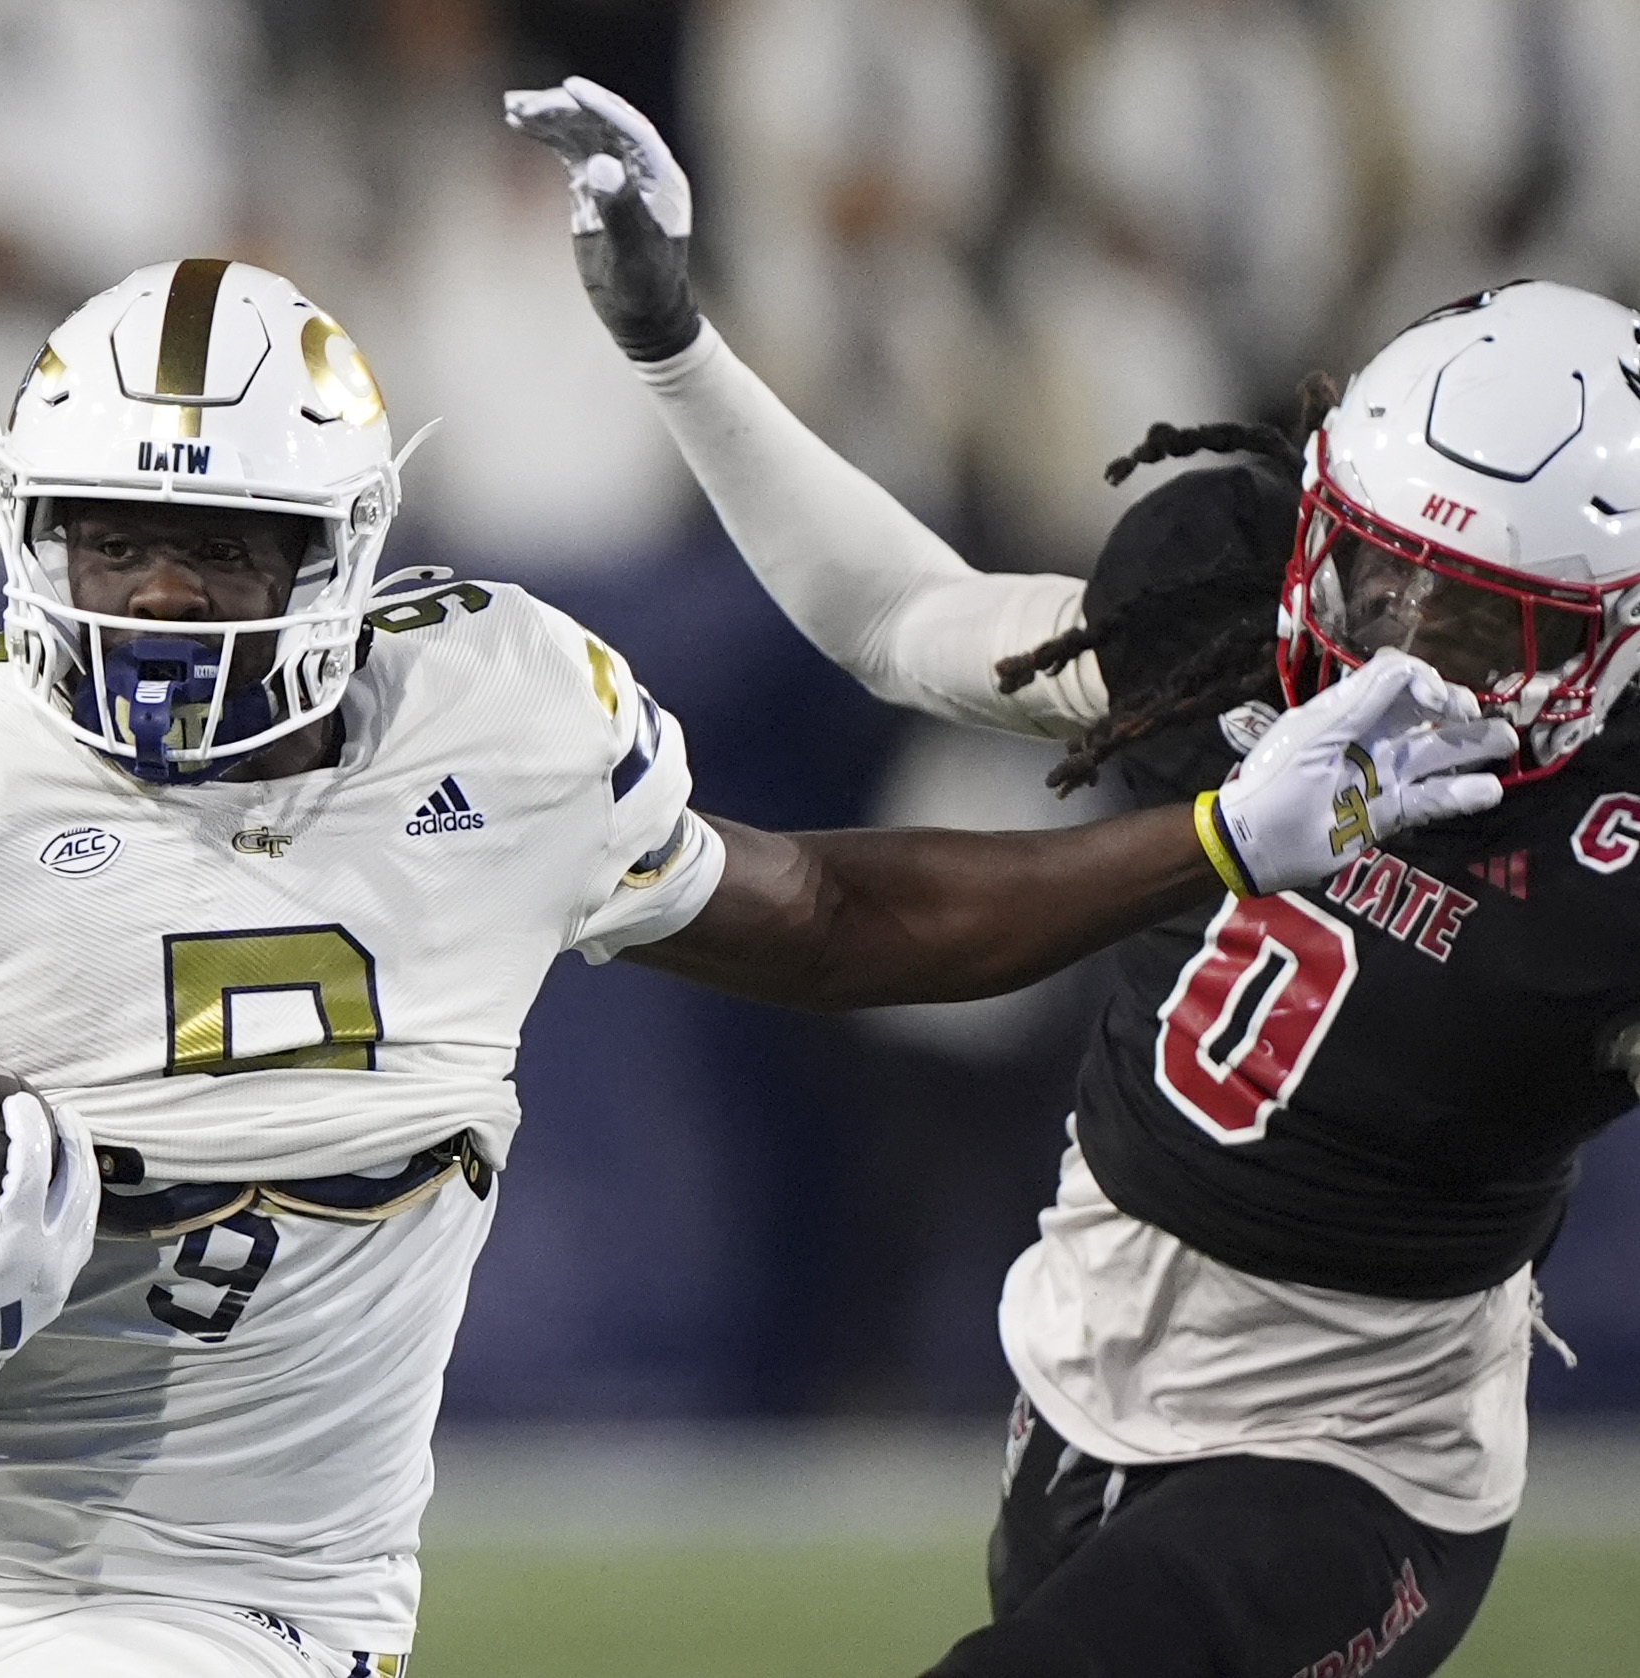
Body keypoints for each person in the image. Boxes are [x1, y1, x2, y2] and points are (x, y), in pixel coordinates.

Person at [0, 257, 1502, 1678]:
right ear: (21, 535)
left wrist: (1209, 844)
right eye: (111, 537)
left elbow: (836, 920)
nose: (160, 594)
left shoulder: (502, 722)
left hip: (246, 1607)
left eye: (220, 544)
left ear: (344, 552)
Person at [512, 76, 1640, 1678]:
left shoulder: (1610, 854)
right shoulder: (1234, 607)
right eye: (1378, 573)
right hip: (1076, 1372)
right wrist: (674, 348)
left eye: (1480, 621)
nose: (1396, 644)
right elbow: (904, 620)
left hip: (1356, 1465)